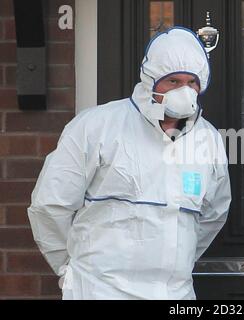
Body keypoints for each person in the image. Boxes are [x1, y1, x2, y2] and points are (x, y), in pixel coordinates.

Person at [27, 27, 231, 300]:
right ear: (150, 81)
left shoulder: (208, 139)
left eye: (191, 82)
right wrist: (70, 268)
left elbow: (212, 214)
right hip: (98, 290)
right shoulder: (96, 126)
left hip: (175, 294)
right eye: (173, 81)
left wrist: (177, 261)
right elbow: (50, 205)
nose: (184, 90)